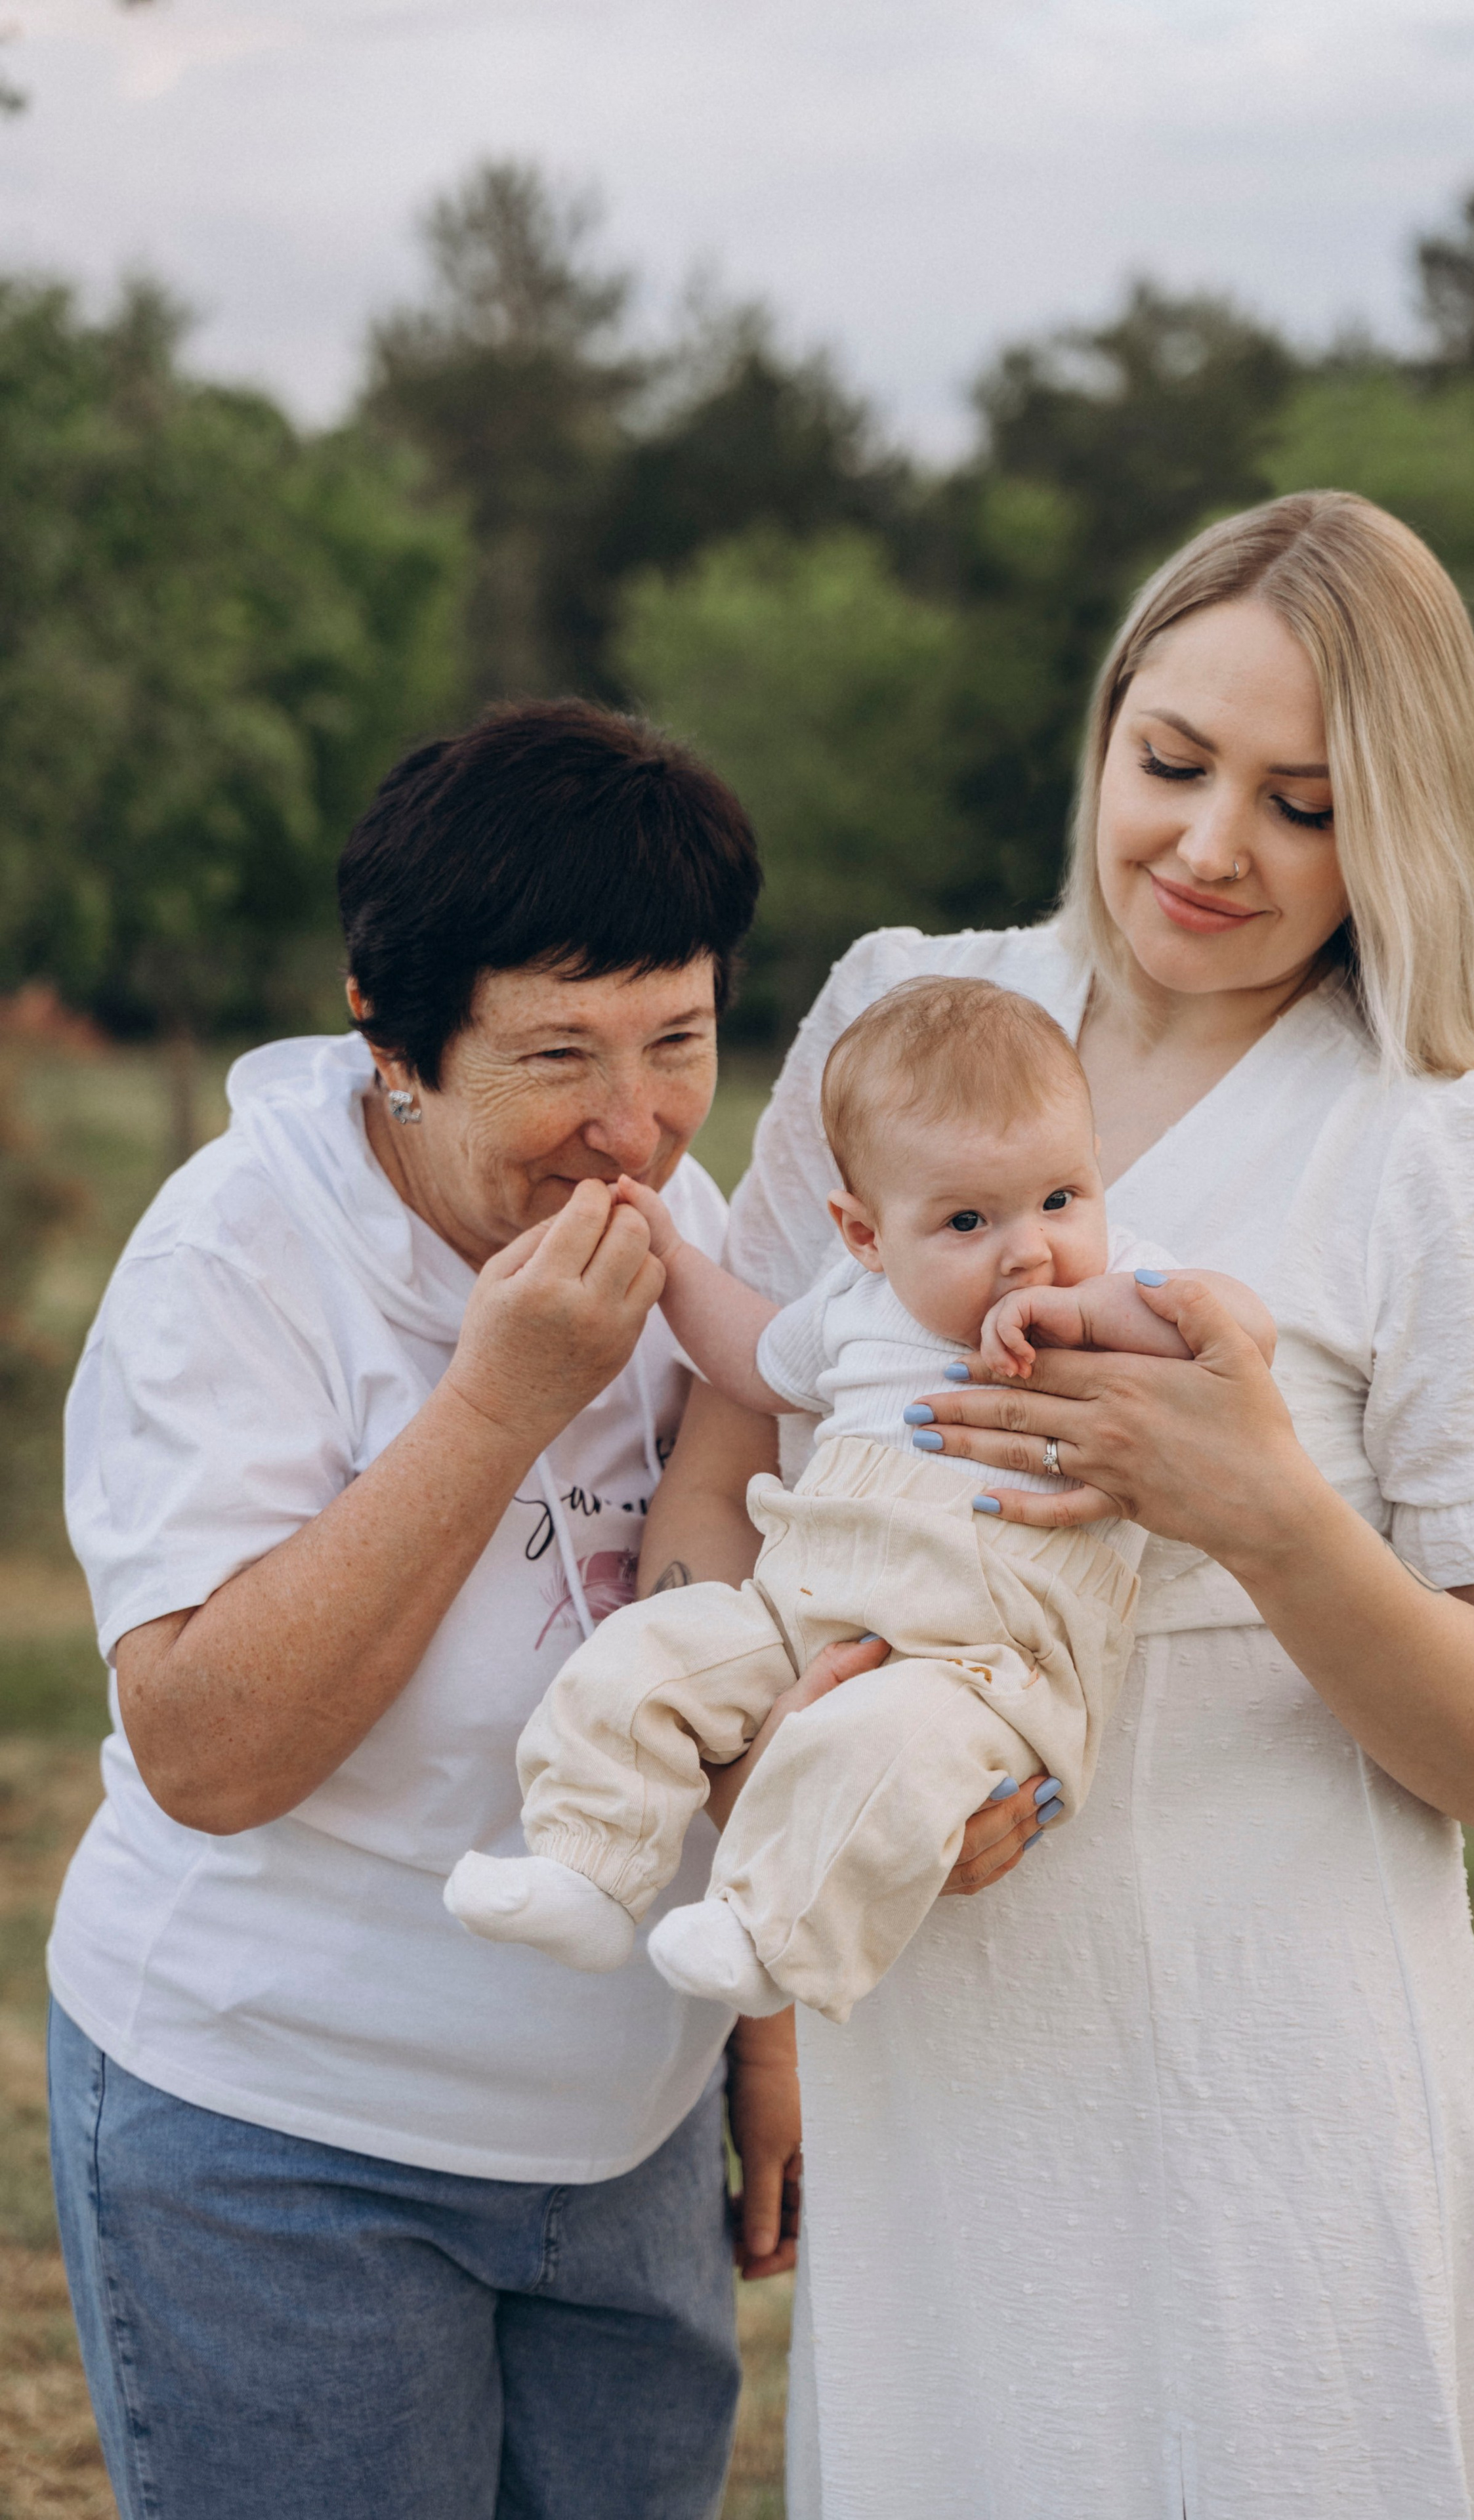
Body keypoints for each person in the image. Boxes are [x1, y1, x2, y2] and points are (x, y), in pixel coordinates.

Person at [640, 493, 1474, 2519]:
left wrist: (1265, 1510)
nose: (1208, 846)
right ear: (1104, 730)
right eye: (1171, 763)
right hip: (944, 2058)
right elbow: (729, 1475)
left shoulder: (1441, 1145)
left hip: (1274, 2079)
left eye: (1304, 805)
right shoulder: (907, 1015)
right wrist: (768, 1945)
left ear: (1400, 833)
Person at [48, 698, 856, 2520]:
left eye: (679, 1041)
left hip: (622, 2134)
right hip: (284, 2141)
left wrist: (759, 2029)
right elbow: (207, 1753)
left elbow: (712, 1626)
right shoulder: (231, 1260)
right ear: (388, 1028)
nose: (632, 1128)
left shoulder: (680, 1204)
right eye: (559, 1055)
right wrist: (497, 1402)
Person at [446, 976, 1274, 2026]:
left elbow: (1243, 1331)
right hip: (796, 1610)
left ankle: (770, 1936)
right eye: (969, 1219)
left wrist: (1096, 1307)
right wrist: (672, 1255)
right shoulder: (856, 1307)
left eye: (1063, 1199)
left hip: (981, 1664)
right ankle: (587, 1866)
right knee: (640, 1656)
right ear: (865, 1234)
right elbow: (750, 1357)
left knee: (878, 1750)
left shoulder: (1121, 1295)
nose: (1030, 1247)